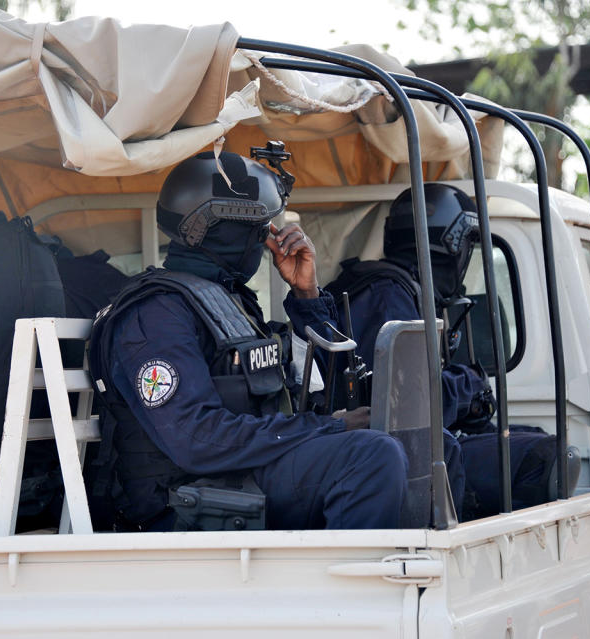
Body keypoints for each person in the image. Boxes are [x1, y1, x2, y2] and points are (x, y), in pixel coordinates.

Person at [89, 149, 408, 531]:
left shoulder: (228, 303)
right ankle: (355, 589)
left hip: (242, 476)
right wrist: (330, 429)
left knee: (425, 442)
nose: (266, 238)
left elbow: (323, 395)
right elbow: (197, 439)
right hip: (187, 500)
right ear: (225, 227)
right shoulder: (156, 313)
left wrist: (307, 297)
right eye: (259, 228)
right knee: (371, 457)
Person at [327, 183, 562, 520]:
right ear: (454, 243)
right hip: (401, 455)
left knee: (533, 436)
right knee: (544, 457)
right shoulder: (387, 296)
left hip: (415, 446)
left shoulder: (400, 291)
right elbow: (402, 405)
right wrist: (470, 384)